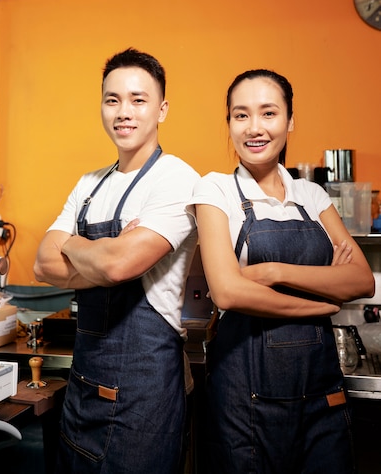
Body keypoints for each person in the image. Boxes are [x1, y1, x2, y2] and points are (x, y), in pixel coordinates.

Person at [188, 68, 375, 474]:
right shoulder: (215, 189)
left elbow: (360, 280)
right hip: (244, 399)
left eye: (268, 113)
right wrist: (323, 303)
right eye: (241, 115)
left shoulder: (311, 194)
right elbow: (228, 294)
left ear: (290, 121)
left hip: (323, 395)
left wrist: (270, 270)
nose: (254, 128)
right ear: (229, 124)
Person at [33, 47, 199, 474]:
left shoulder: (178, 178)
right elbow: (42, 264)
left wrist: (71, 242)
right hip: (84, 385)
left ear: (161, 109)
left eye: (138, 100)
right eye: (112, 100)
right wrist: (103, 253)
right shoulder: (89, 183)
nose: (124, 112)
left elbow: (118, 266)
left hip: (144, 398)